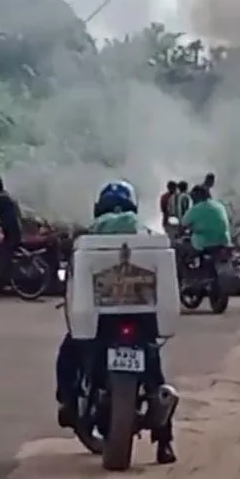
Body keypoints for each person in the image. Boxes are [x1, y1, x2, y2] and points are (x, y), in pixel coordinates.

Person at [56, 180, 176, 464]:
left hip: (100, 322)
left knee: (69, 351)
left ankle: (69, 402)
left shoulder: (90, 236)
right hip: (143, 319)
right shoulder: (144, 234)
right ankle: (165, 444)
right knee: (155, 375)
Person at [181, 184, 232, 261]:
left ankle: (191, 266)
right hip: (225, 241)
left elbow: (183, 224)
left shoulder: (196, 209)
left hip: (205, 243)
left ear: (196, 196)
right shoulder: (219, 205)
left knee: (185, 247)